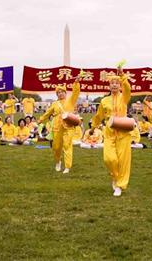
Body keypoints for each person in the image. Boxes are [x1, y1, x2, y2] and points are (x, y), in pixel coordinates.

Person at [91, 67, 131, 196]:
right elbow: (98, 116)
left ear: (120, 86)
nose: (114, 85)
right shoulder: (104, 101)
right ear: (109, 86)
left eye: (117, 83)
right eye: (112, 83)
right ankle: (115, 176)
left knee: (123, 160)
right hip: (109, 131)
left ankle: (120, 185)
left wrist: (123, 76)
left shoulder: (124, 97)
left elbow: (128, 89)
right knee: (109, 159)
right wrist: (93, 127)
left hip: (123, 131)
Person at [38, 75, 82, 174]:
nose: (60, 94)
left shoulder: (71, 100)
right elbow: (48, 113)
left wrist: (76, 82)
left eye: (62, 92)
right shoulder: (54, 104)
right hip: (57, 126)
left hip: (68, 125)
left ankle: (67, 167)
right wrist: (41, 119)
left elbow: (76, 92)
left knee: (67, 145)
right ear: (56, 94)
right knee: (56, 147)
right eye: (58, 92)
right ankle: (58, 162)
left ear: (65, 93)